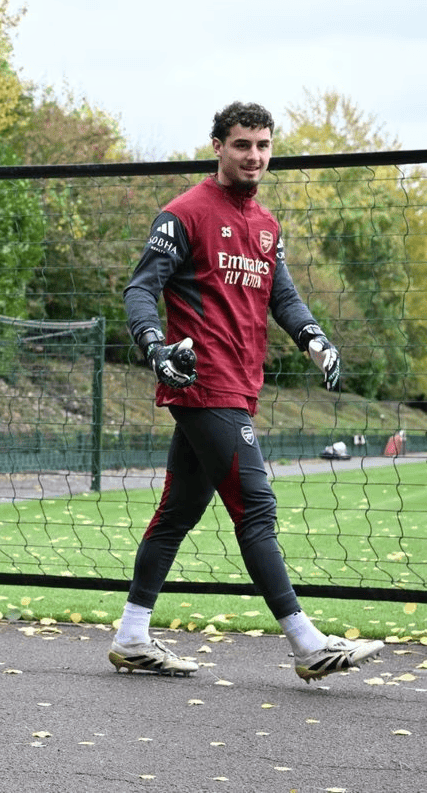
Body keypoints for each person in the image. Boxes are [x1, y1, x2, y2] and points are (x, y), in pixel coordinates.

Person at [110, 101, 385, 684]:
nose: (254, 155)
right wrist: (156, 347)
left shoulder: (266, 225)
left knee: (178, 511)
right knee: (256, 508)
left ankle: (132, 636)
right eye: (242, 144)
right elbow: (139, 290)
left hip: (240, 385)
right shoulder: (183, 214)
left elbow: (282, 297)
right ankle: (306, 643)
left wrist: (315, 338)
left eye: (262, 145)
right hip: (203, 382)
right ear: (218, 146)